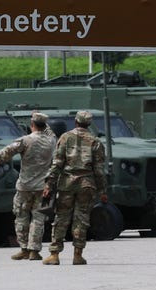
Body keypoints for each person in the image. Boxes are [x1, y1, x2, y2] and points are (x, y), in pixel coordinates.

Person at [0, 111, 56, 261]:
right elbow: (49, 131)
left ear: (31, 125)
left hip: (25, 186)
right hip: (43, 186)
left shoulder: (25, 141)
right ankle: (34, 251)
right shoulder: (51, 140)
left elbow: (6, 153)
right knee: (38, 219)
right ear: (44, 125)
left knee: (21, 217)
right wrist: (39, 118)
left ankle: (24, 248)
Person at [41, 110, 108, 266]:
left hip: (67, 183)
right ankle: (78, 255)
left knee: (61, 218)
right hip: (87, 184)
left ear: (76, 121)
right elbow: (99, 170)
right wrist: (103, 191)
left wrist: (49, 184)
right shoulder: (96, 141)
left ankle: (54, 254)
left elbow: (57, 164)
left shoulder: (65, 138)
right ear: (89, 124)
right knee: (82, 219)